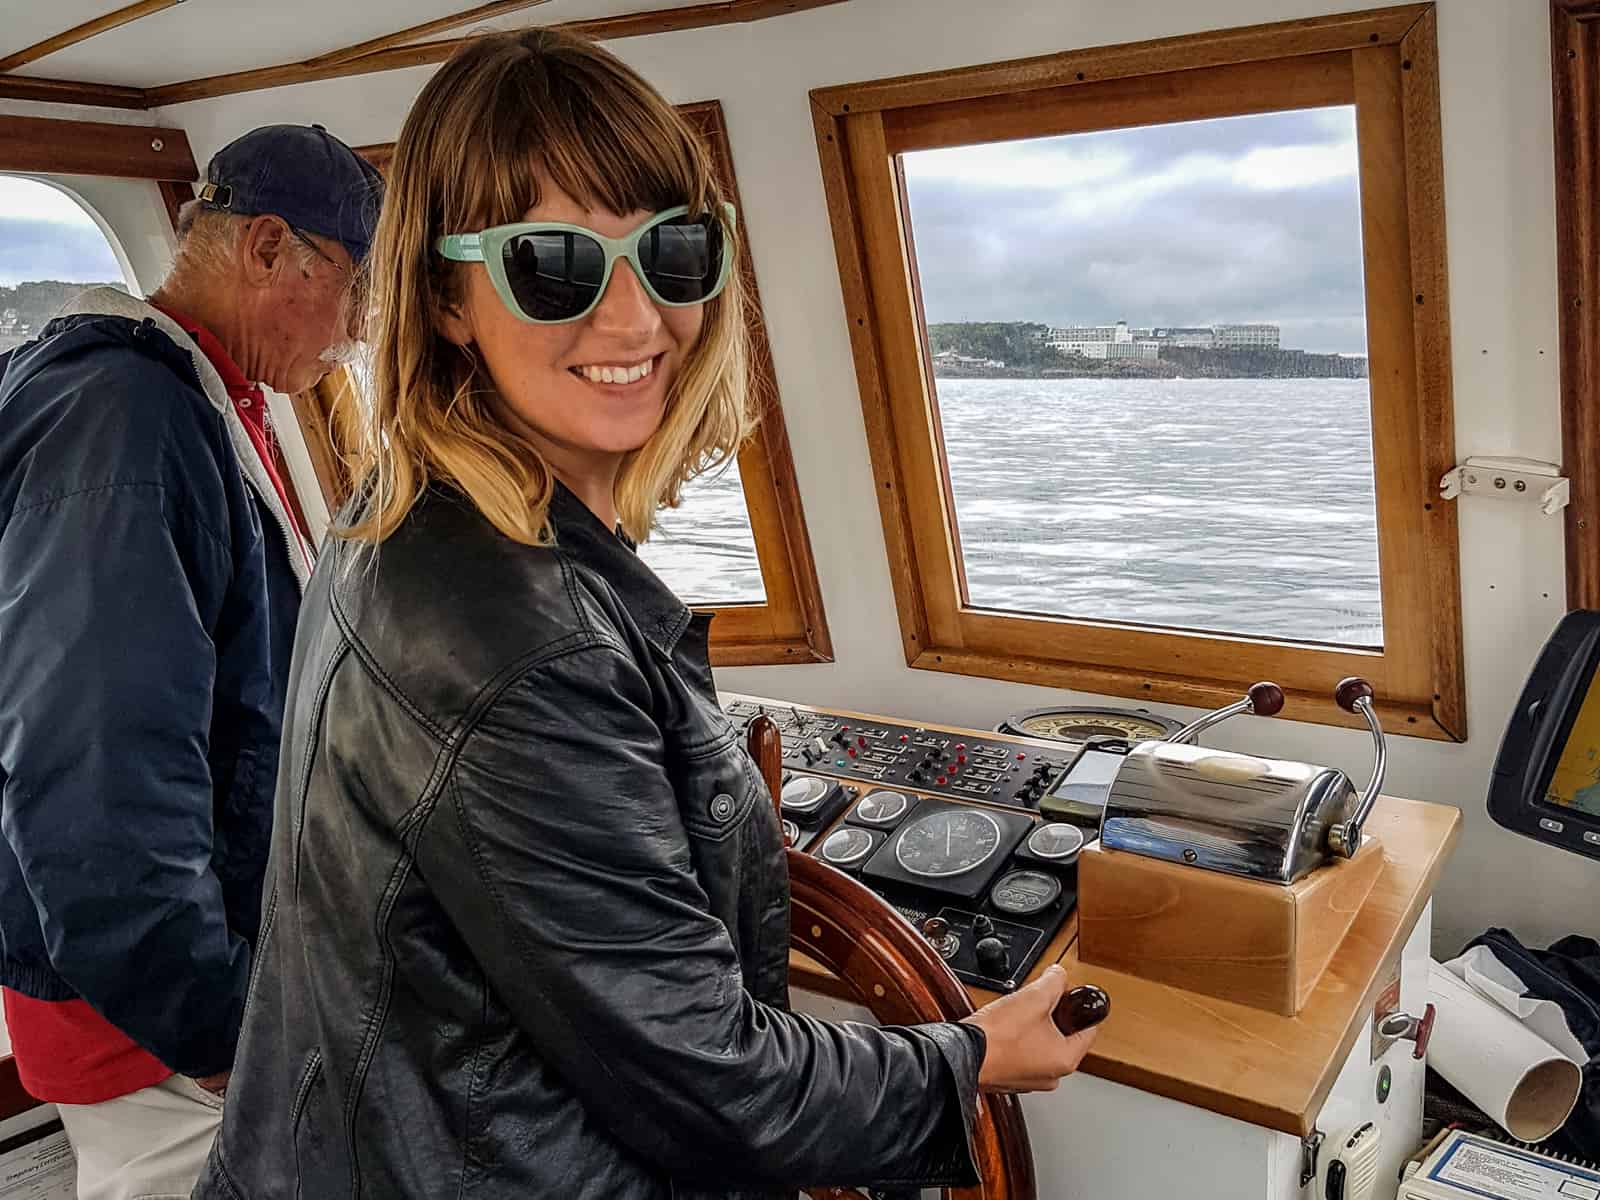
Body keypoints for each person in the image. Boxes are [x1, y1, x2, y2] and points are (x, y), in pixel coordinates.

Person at [193, 31, 1097, 1200]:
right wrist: (973, 1054)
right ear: (446, 296)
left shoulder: (401, 512)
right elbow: (721, 1090)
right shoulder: (520, 640)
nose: (634, 321)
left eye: (672, 251)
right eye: (555, 265)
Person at [0, 125, 381, 1200]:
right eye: (354, 295)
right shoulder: (124, 423)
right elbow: (97, 771)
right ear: (267, 250)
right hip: (151, 1017)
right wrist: (214, 1027)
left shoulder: (206, 400)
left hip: (182, 973)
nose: (355, 339)